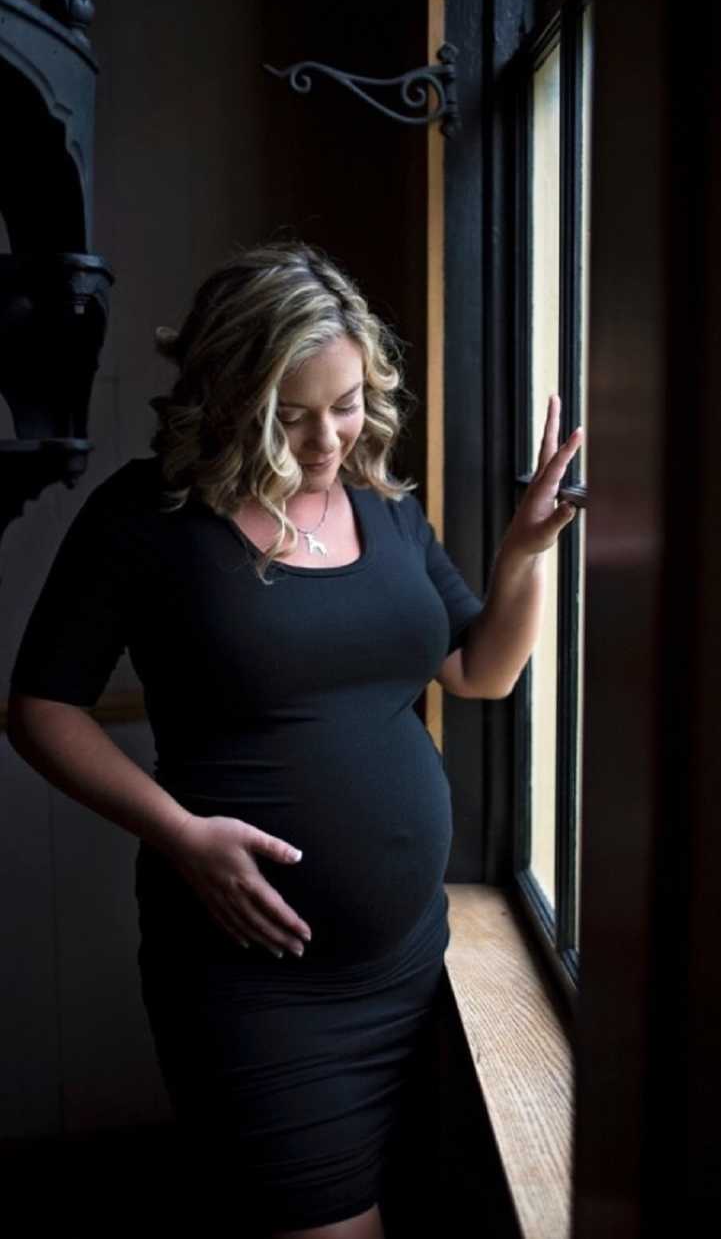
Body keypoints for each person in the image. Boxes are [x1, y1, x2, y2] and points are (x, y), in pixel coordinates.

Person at [6, 240, 583, 1239]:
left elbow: (479, 670)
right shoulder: (144, 519)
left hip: (411, 961)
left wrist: (526, 550)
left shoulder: (385, 515)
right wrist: (182, 834)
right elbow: (40, 706)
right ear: (225, 389)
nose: (327, 439)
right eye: (293, 409)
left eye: (348, 402)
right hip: (255, 984)